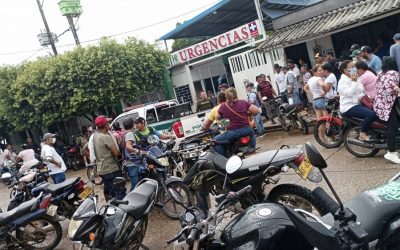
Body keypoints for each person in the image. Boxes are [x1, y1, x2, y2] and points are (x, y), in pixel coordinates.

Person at [338, 60, 378, 141]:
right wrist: (354, 81)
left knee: (379, 111)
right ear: (345, 70)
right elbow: (349, 93)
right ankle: (363, 133)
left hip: (359, 103)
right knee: (371, 115)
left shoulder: (356, 77)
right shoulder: (342, 81)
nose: (354, 69)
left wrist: (369, 98)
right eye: (351, 68)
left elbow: (361, 91)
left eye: (354, 67)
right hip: (349, 106)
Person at [214, 87, 259, 156]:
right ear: (236, 94)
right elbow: (256, 110)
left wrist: (225, 119)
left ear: (226, 96)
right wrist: (249, 114)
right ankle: (252, 148)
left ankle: (224, 159)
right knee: (251, 133)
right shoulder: (243, 102)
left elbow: (217, 117)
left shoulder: (223, 106)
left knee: (215, 141)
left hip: (232, 133)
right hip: (246, 130)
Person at [373, 57, 400, 163]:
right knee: (392, 127)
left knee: (394, 126)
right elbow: (390, 86)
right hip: (389, 105)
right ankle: (391, 152)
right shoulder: (393, 73)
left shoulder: (380, 73)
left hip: (381, 104)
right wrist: (396, 89)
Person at [92, 115, 125, 201]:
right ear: (105, 125)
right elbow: (116, 153)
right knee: (119, 191)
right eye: (108, 123)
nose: (109, 124)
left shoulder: (95, 136)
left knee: (111, 192)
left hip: (102, 169)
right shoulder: (105, 137)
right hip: (111, 169)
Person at [122, 117, 141, 191]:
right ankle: (132, 200)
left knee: (135, 183)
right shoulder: (129, 134)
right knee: (135, 185)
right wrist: (136, 150)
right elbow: (128, 146)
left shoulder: (125, 133)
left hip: (130, 162)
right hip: (132, 162)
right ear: (133, 124)